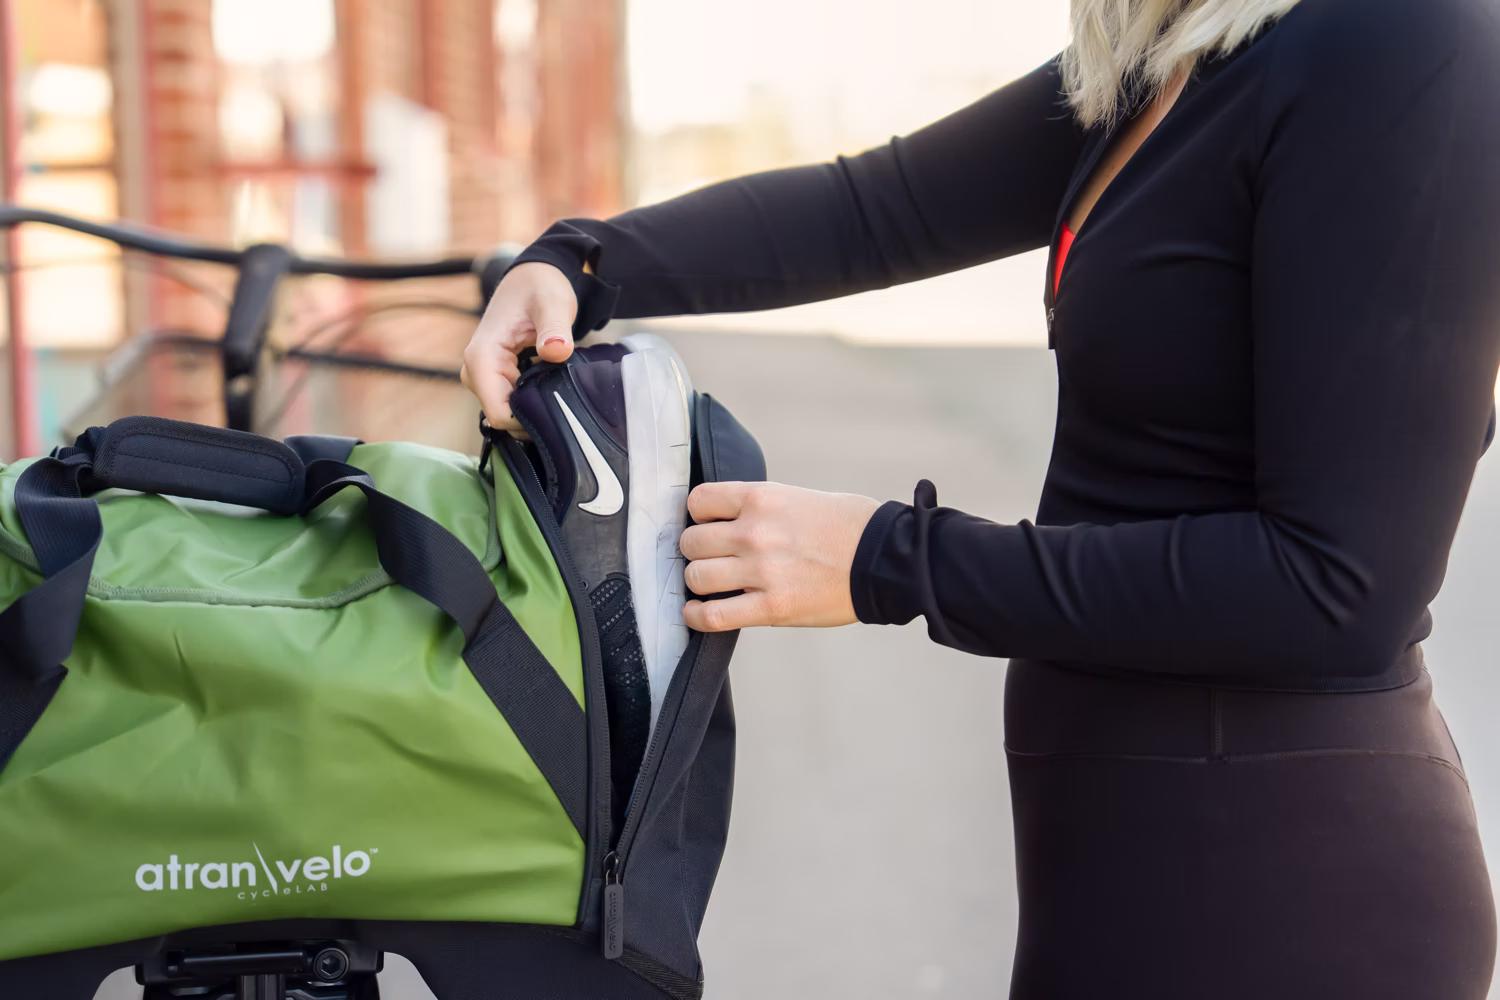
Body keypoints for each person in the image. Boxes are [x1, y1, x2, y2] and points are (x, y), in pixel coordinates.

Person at [461, 0, 1500, 994]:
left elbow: (1333, 589)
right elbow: (880, 210)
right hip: (1115, 855)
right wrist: (580, 264)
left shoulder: (1399, 39)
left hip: (1285, 887)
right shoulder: (1177, 50)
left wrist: (883, 557)